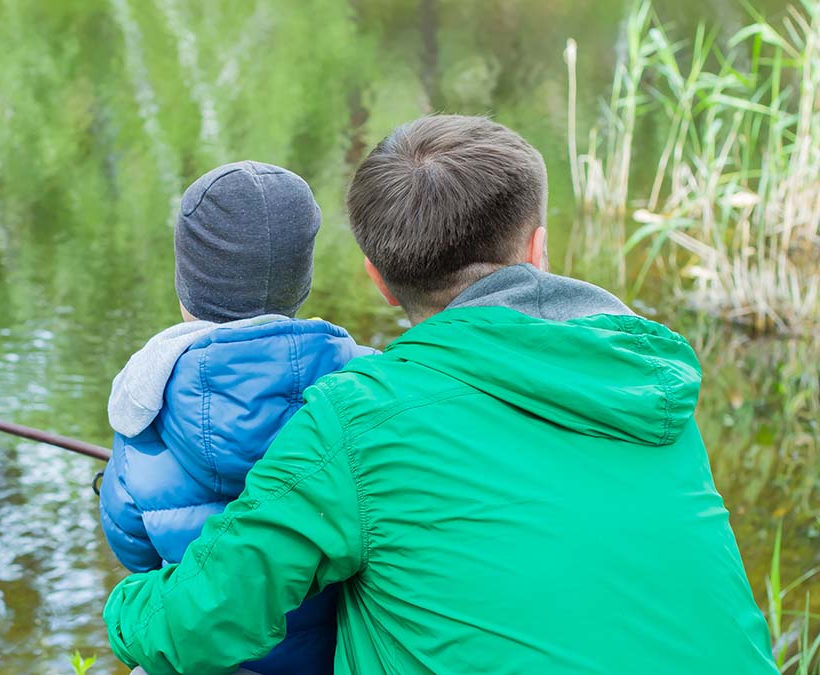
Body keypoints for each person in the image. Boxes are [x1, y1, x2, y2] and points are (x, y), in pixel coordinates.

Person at [102, 116, 777, 675]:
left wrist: (124, 608)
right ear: (539, 248)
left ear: (378, 279)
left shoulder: (359, 417)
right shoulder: (646, 384)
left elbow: (202, 617)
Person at [98, 160, 368, 675]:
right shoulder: (363, 390)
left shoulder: (144, 407)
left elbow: (130, 543)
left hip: (199, 651)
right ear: (301, 281)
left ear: (186, 289)